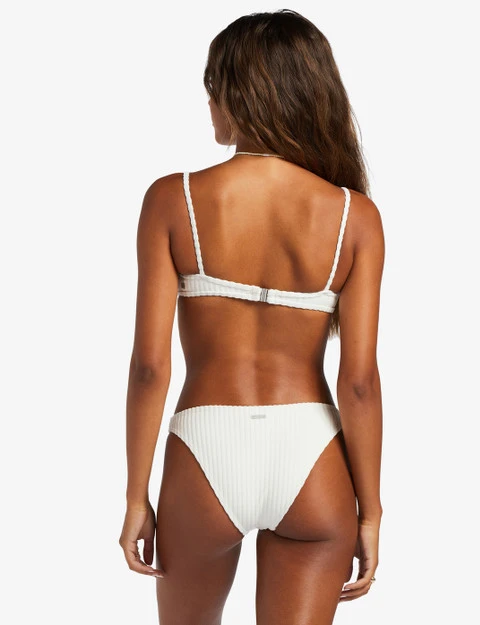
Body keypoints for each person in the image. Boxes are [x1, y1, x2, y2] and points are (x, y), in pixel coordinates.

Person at [119, 9, 384, 624]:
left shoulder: (173, 199)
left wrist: (136, 496)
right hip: (313, 456)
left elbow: (149, 368)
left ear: (243, 94)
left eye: (214, 86)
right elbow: (360, 382)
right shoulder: (355, 216)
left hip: (203, 451)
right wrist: (370, 512)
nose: (209, 102)